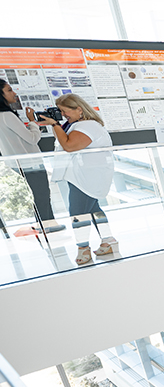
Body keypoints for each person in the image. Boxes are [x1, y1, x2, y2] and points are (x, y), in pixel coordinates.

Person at [34, 94, 116, 266]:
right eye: (60, 112)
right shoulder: (77, 124)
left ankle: (83, 248)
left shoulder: (88, 126)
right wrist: (56, 125)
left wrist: (55, 125)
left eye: (65, 111)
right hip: (82, 176)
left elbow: (69, 146)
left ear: (79, 109)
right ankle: (108, 241)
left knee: (77, 213)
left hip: (87, 178)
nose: (63, 115)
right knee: (94, 209)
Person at [0, 79, 64, 233]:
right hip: (29, 162)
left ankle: (48, 224)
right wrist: (32, 122)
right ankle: (46, 226)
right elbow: (32, 138)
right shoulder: (7, 115)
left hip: (17, 163)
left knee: (39, 194)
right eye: (9, 90)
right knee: (42, 194)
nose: (14, 93)